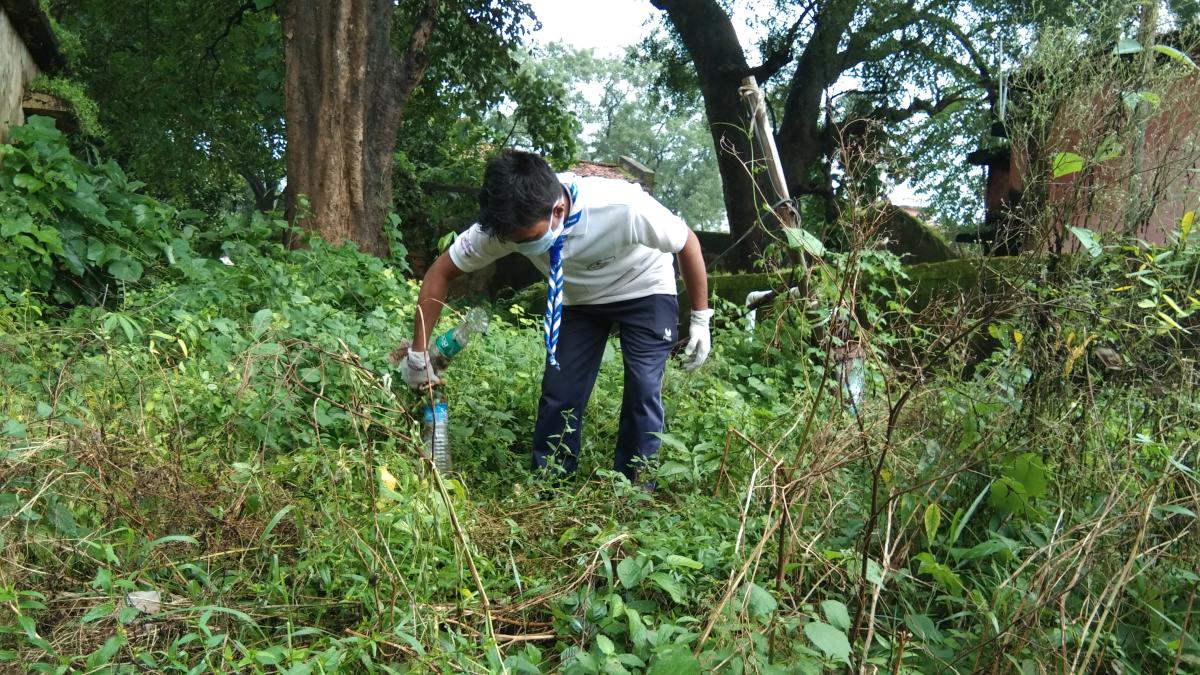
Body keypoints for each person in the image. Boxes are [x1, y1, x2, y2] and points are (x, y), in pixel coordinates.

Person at [401, 149, 712, 486]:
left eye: (529, 240)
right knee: (560, 393)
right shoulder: (503, 228)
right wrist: (418, 353)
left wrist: (700, 318)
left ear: (558, 211)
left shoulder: (624, 207)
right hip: (578, 299)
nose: (524, 247)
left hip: (644, 286)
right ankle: (550, 484)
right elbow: (440, 272)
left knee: (643, 388)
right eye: (516, 243)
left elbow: (687, 242)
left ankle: (636, 488)